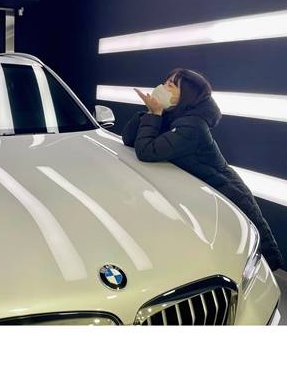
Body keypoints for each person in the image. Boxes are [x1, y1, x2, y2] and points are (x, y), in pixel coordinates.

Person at [122, 67, 284, 271]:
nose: (163, 86)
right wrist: (150, 112)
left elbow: (146, 151)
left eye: (172, 85)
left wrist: (154, 114)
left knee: (248, 252)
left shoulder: (193, 126)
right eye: (165, 82)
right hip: (203, 191)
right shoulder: (171, 115)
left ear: (188, 95)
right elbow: (129, 139)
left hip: (224, 190)